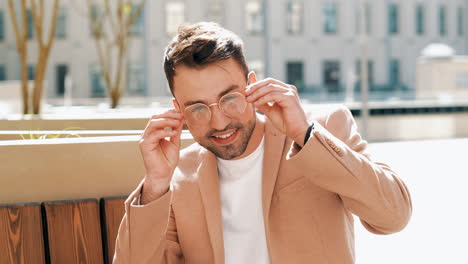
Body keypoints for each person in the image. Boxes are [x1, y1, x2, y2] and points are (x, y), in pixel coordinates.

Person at [113, 22, 412, 264]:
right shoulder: (178, 174)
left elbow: (393, 217)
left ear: (251, 85)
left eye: (229, 98)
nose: (219, 123)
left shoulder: (323, 129)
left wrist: (305, 135)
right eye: (198, 108)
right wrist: (155, 184)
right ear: (178, 109)